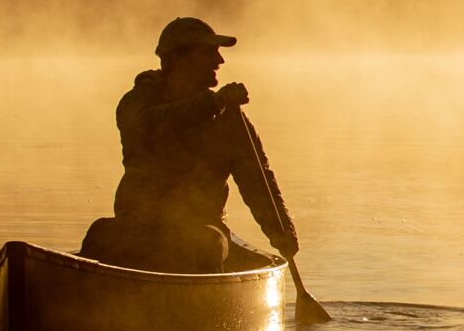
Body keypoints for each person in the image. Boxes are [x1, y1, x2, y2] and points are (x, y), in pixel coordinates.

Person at [78, 16, 303, 275]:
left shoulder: (230, 120)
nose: (220, 61)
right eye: (209, 52)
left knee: (203, 245)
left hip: (201, 228)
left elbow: (258, 181)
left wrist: (283, 233)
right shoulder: (136, 103)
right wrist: (212, 104)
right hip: (137, 226)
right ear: (177, 58)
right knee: (100, 233)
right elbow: (147, 127)